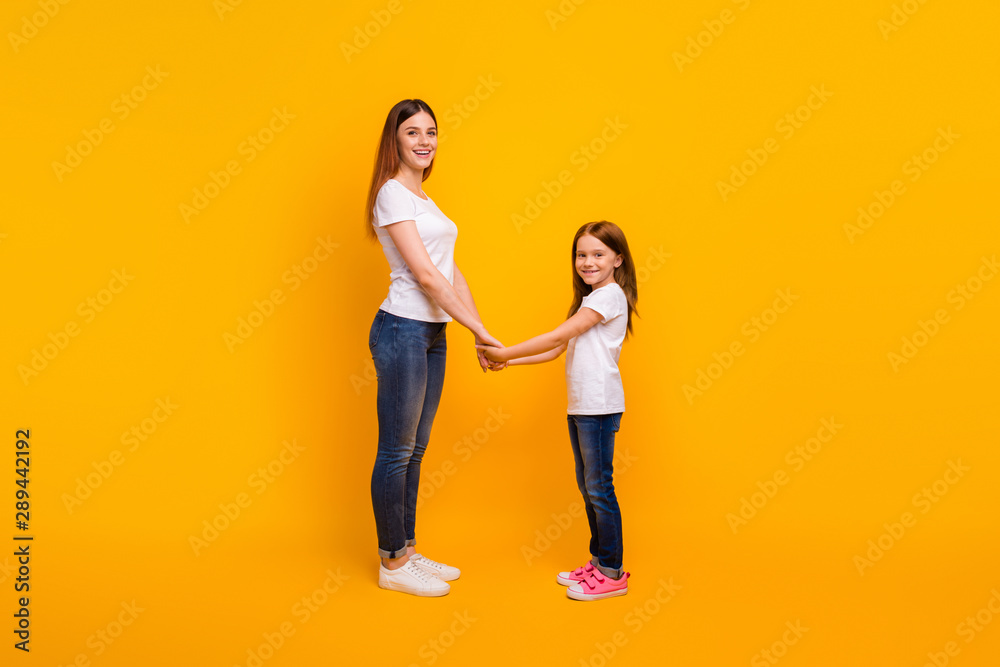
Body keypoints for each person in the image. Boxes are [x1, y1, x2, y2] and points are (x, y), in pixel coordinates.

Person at [365, 99, 505, 597]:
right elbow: (424, 276)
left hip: (432, 334)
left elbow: (450, 270)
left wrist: (479, 329)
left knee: (416, 449)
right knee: (397, 451)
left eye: (432, 132)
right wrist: (478, 332)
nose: (425, 141)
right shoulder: (391, 194)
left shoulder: (426, 200)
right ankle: (392, 562)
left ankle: (406, 545)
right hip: (402, 328)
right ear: (395, 141)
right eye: (413, 133)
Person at [477, 221, 638, 601]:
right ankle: (599, 563)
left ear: (618, 259)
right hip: (582, 406)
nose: (588, 262)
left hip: (599, 406)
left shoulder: (609, 296)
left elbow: (555, 336)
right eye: (581, 254)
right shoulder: (590, 299)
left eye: (598, 254)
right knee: (588, 486)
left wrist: (504, 350)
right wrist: (509, 364)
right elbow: (555, 350)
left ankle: (612, 571)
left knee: (599, 487)